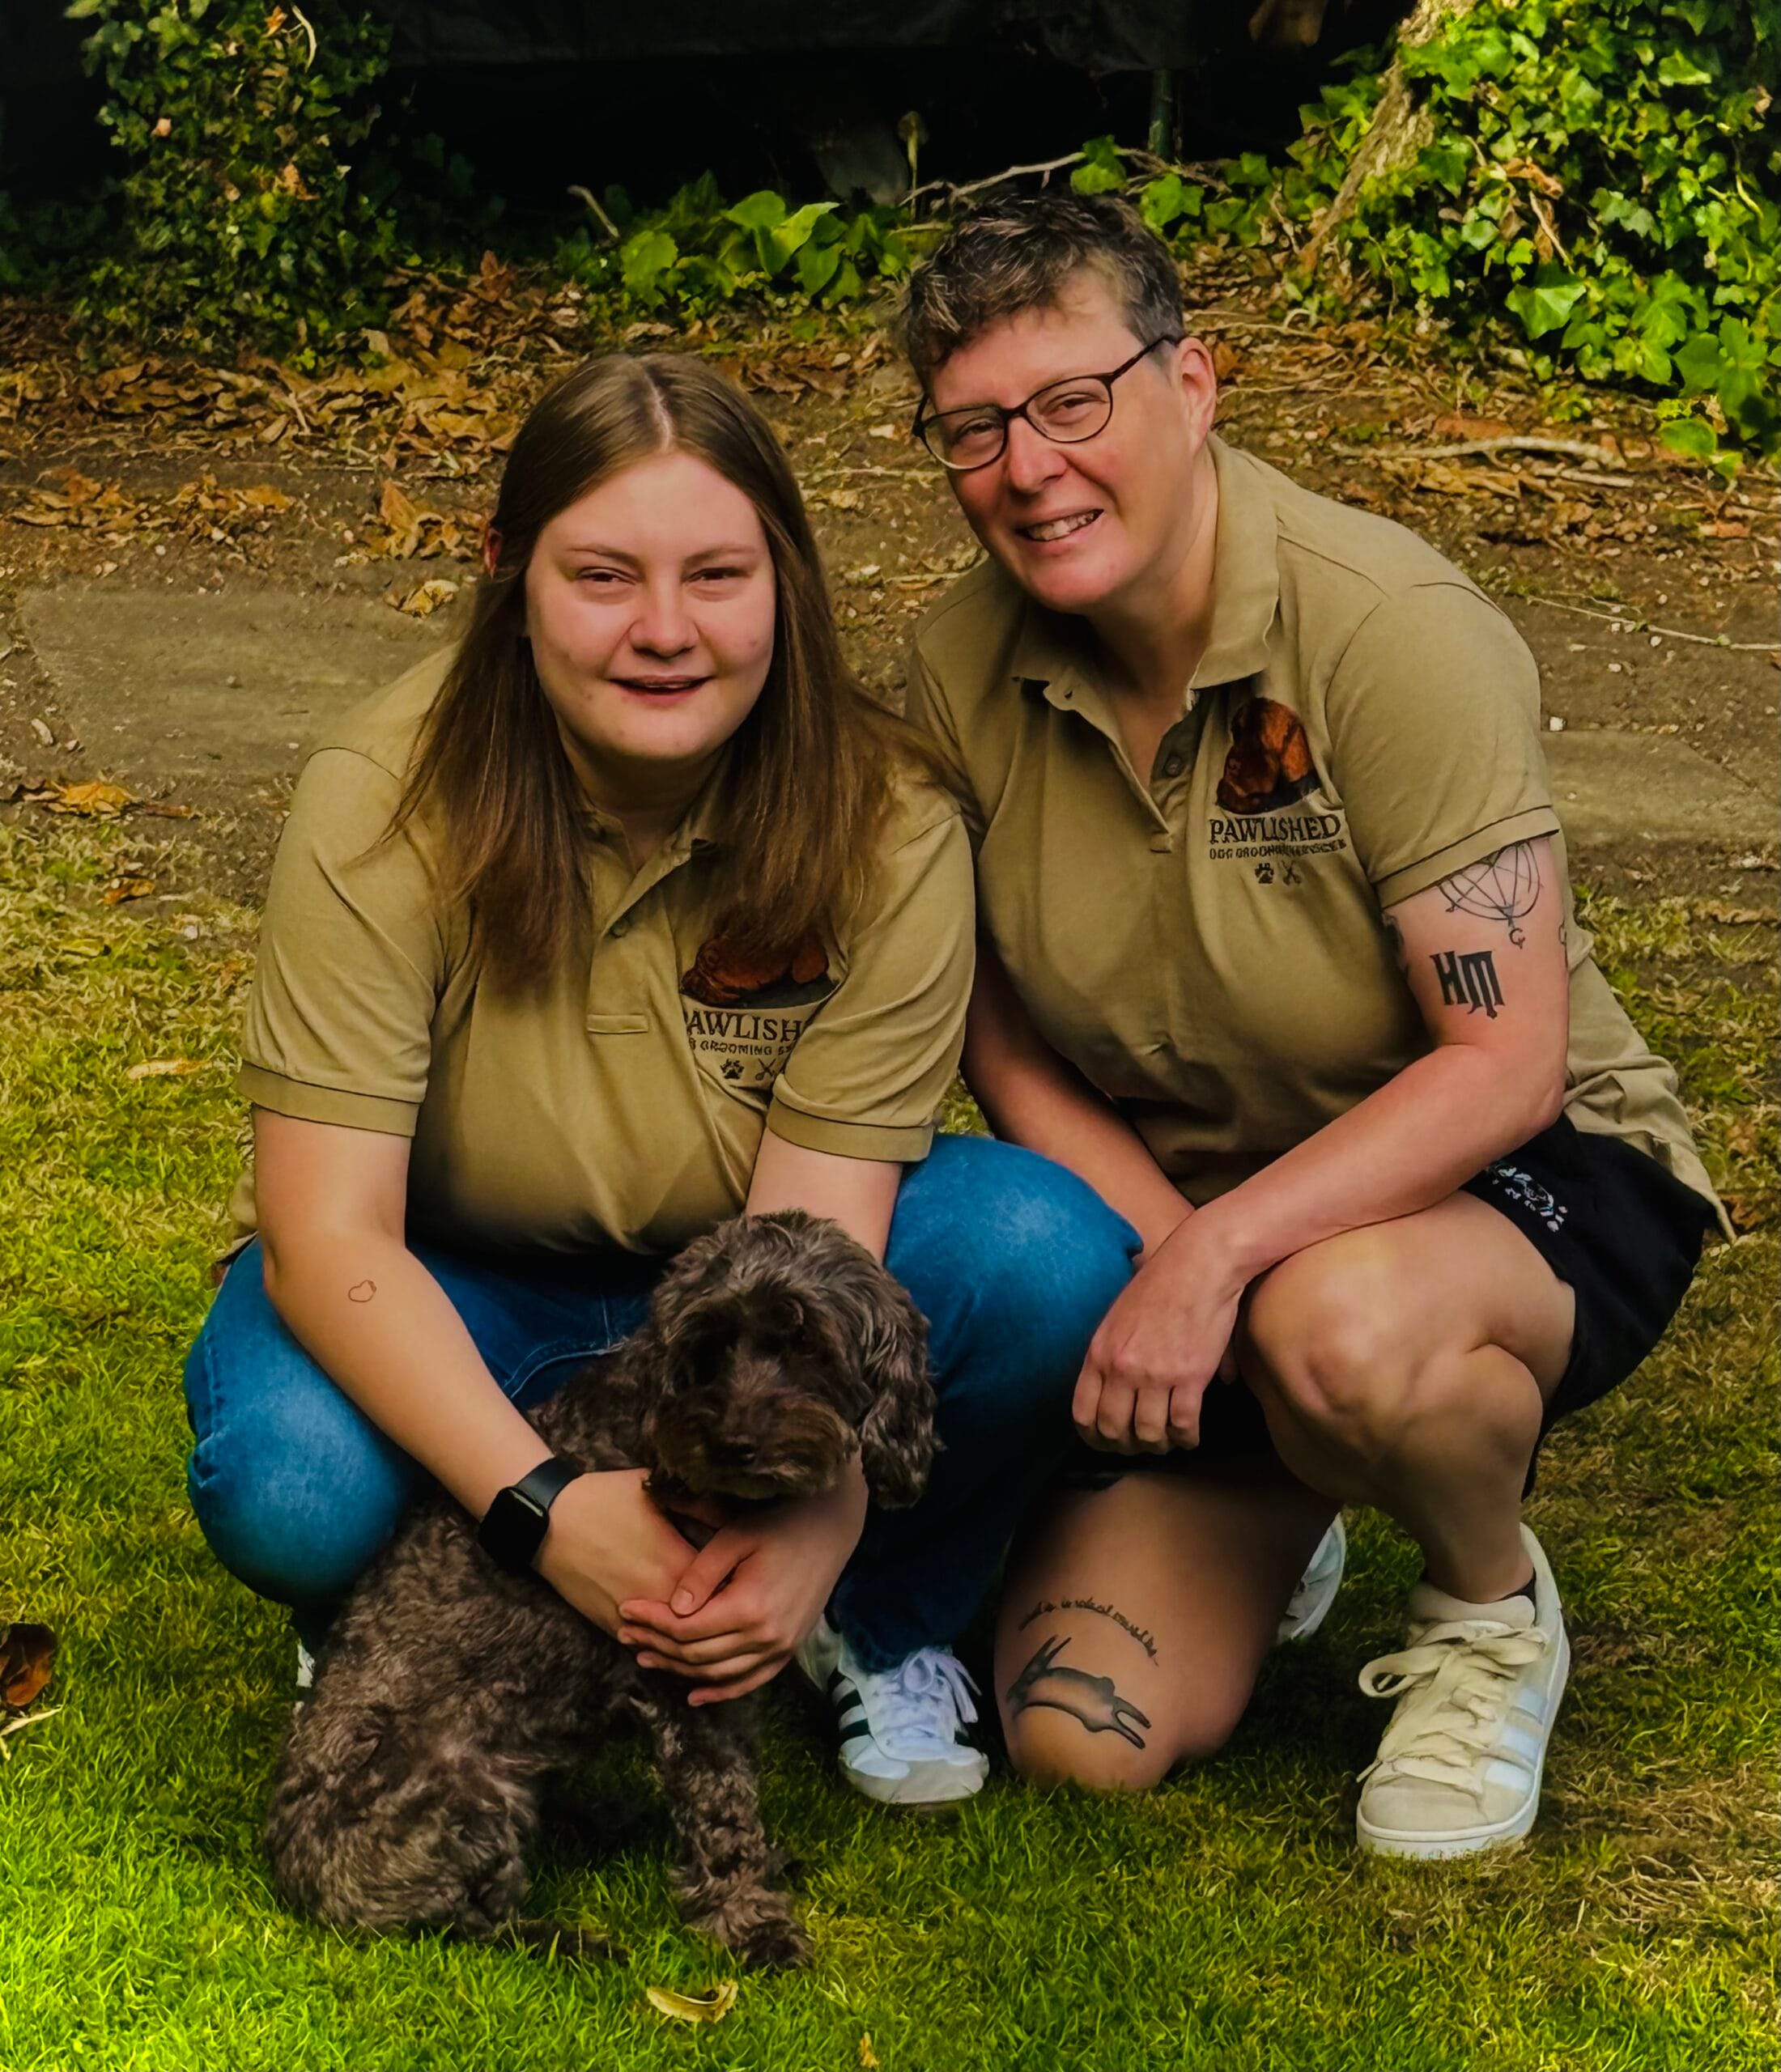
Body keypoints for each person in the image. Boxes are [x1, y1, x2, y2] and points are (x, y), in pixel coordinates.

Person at [182, 351, 1138, 1811]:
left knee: (1043, 1255)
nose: (667, 631)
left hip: (744, 1294)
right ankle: (400, 1623)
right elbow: (326, 1233)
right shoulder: (379, 799)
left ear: (786, 582)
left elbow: (816, 1252)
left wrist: (817, 1518)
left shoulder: (886, 821)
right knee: (290, 1483)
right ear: (508, 572)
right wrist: (546, 1510)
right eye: (604, 577)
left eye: (717, 576)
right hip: (458, 1282)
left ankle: (877, 1615)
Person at [899, 194, 1726, 1857]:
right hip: (1203, 1215)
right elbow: (1002, 1041)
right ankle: (1307, 1463)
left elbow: (1503, 1058)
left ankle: (1486, 1608)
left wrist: (1215, 1262)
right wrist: (1172, 1251)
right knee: (1074, 1726)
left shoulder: (1387, 630)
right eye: (974, 428)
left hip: (1522, 1172)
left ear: (1193, 383)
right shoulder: (949, 669)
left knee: (1334, 1326)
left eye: (1073, 401)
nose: (1030, 468)